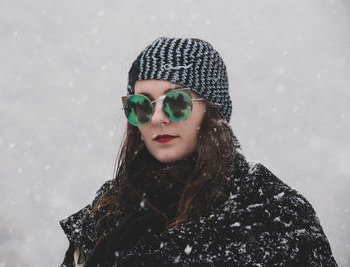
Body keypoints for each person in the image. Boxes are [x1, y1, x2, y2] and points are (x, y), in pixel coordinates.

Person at [59, 37, 337, 266]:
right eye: (141, 104)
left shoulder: (272, 214)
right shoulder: (109, 209)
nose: (157, 118)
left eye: (176, 102)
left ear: (211, 110)